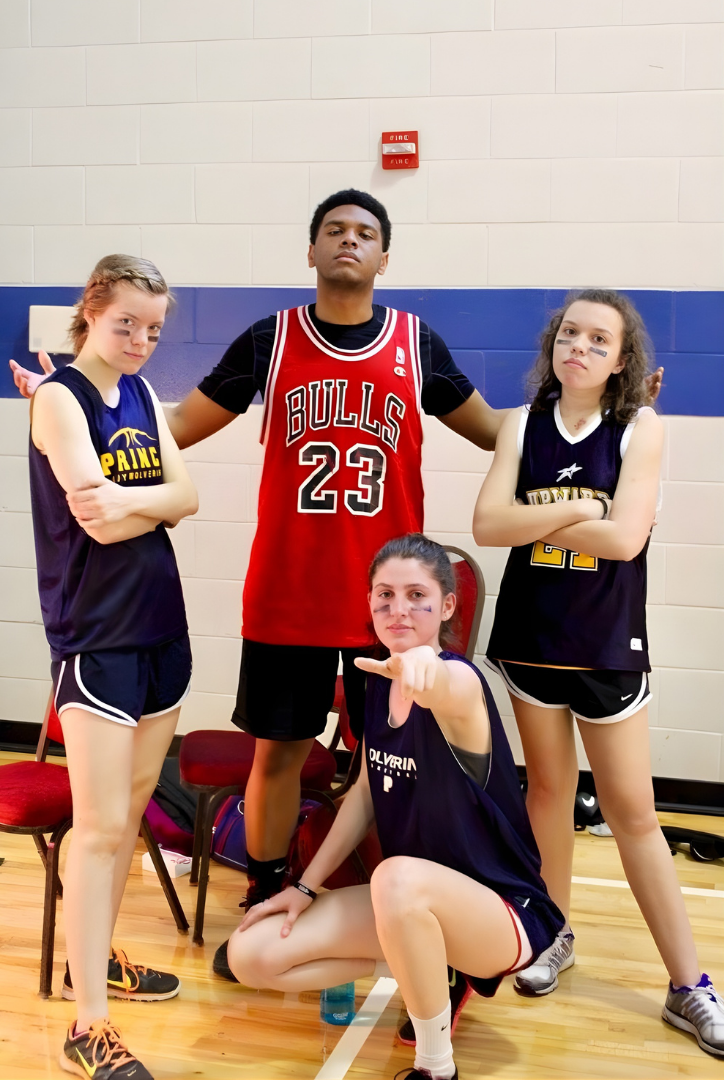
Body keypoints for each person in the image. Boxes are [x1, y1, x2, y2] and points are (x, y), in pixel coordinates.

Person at [8, 193, 663, 982]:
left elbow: (503, 435)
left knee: (397, 757)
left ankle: (410, 906)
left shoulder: (416, 343)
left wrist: (607, 420)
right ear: (311, 249)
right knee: (279, 753)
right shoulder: (270, 340)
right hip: (288, 591)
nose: (349, 242)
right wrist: (83, 392)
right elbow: (170, 431)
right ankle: (268, 890)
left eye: (366, 235)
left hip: (388, 605)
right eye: (334, 231)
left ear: (386, 258)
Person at [473, 289, 724, 1056]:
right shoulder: (520, 426)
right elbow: (488, 526)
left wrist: (544, 512)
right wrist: (585, 504)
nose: (578, 346)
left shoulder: (640, 428)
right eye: (569, 333)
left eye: (598, 339)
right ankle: (554, 933)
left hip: (608, 642)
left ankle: (690, 986)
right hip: (530, 639)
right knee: (547, 793)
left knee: (632, 812)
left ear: (621, 361)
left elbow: (622, 542)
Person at [227, 534, 564, 1080]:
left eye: (416, 594)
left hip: (504, 915)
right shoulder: (378, 685)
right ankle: (424, 965)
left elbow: (444, 683)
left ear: (448, 605)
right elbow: (361, 795)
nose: (398, 608)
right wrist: (303, 888)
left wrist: (425, 666)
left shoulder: (460, 684)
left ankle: (436, 1066)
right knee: (252, 954)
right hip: (412, 905)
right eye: (384, 595)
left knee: (396, 877)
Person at [27, 255, 198, 1080]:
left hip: (163, 629)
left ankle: (85, 966)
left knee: (125, 820)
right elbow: (95, 524)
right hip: (97, 638)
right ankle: (84, 1026)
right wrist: (154, 501)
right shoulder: (57, 399)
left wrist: (144, 500)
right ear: (91, 309)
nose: (141, 340)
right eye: (127, 321)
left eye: (155, 329)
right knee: (96, 833)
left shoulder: (142, 398)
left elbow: (188, 494)